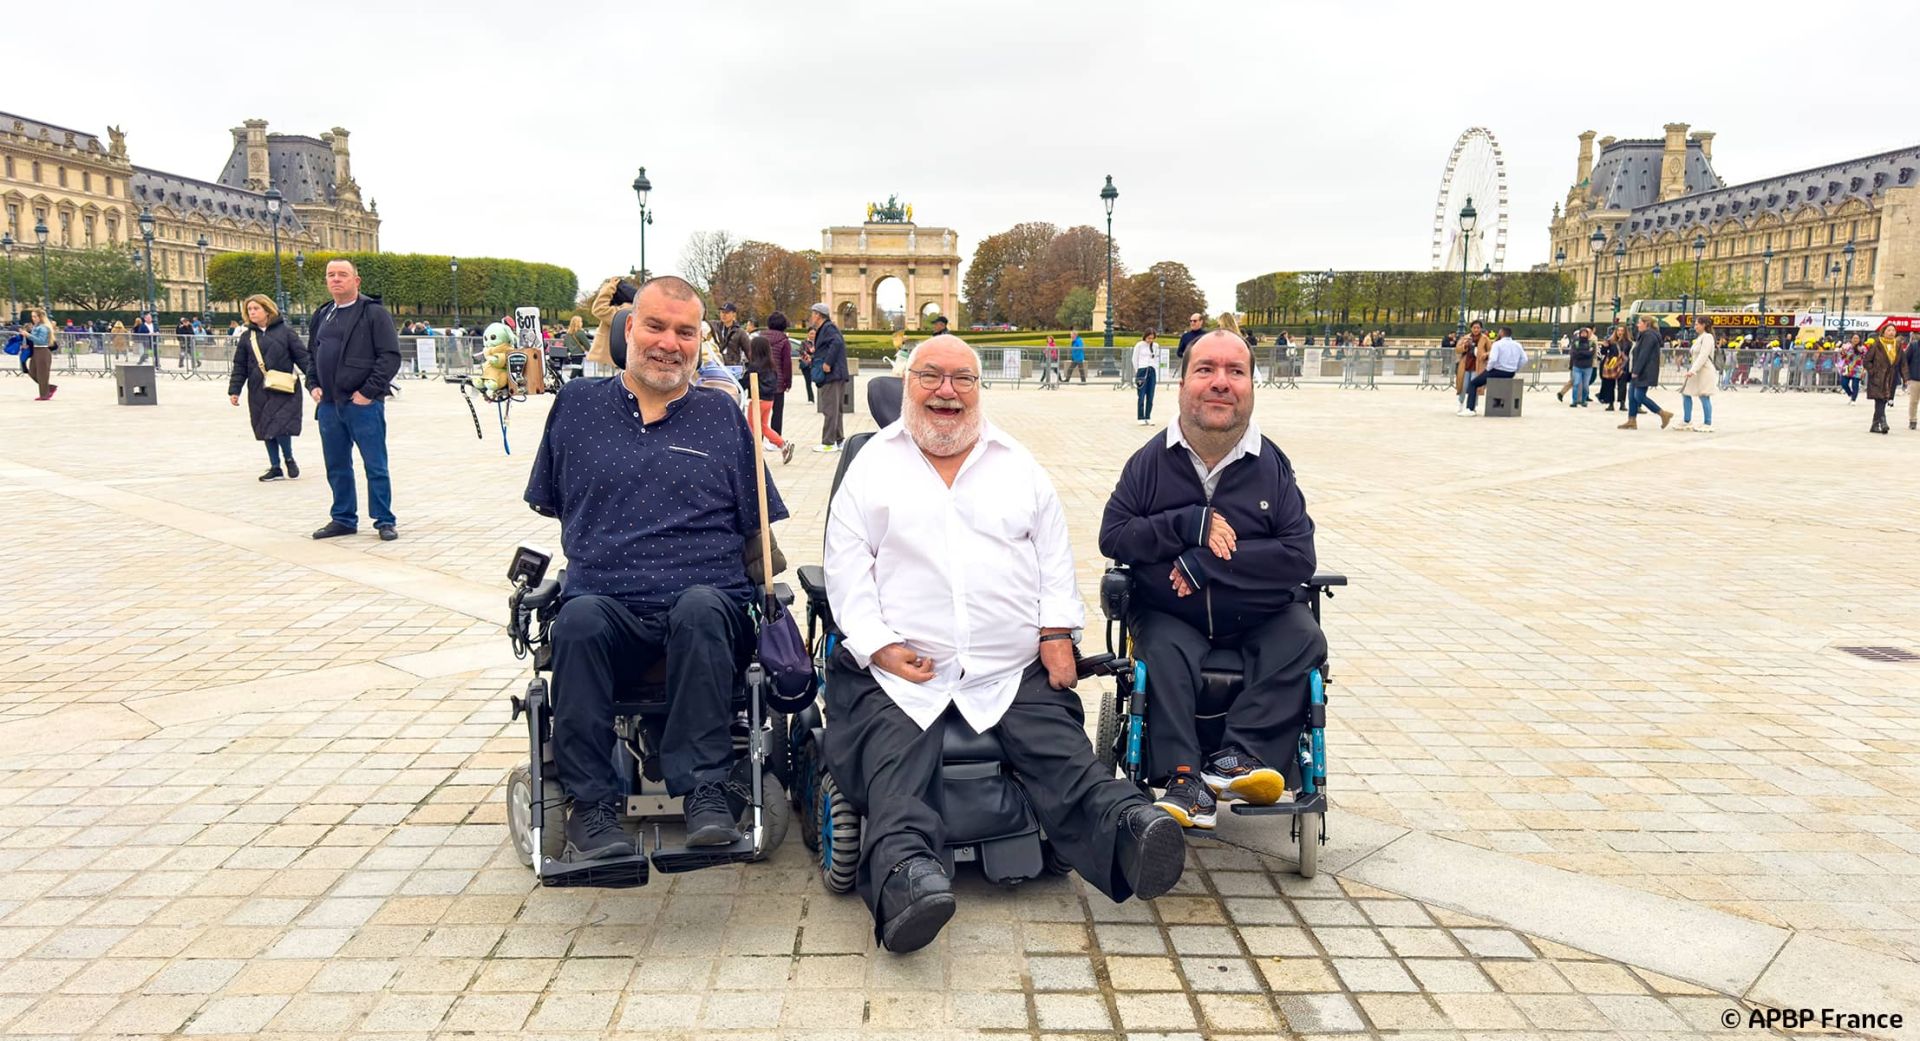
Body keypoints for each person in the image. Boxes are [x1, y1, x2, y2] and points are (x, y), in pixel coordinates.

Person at [823, 334, 1185, 953]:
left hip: (1008, 666)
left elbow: (1053, 560)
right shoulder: (871, 467)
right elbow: (844, 570)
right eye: (931, 376)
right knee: (895, 771)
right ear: (906, 383)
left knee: (1063, 755)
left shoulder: (1017, 464)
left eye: (962, 379)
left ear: (978, 388)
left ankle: (1129, 827)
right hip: (902, 669)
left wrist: (1055, 634)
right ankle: (908, 880)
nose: (947, 392)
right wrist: (879, 645)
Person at [526, 275, 789, 861]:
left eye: (685, 332)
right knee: (578, 620)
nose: (669, 343)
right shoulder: (576, 408)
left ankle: (705, 792)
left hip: (705, 604)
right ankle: (592, 806)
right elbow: (554, 501)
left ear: (700, 342)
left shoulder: (723, 416)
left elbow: (758, 528)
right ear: (627, 330)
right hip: (608, 604)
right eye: (655, 326)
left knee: (698, 608)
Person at [1098, 330, 1324, 829]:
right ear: (1183, 383)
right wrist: (1186, 525)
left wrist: (1208, 563)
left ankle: (1240, 758)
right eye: (1206, 370)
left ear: (1251, 386)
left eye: (1235, 372)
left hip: (1259, 613)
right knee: (1161, 648)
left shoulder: (1272, 465)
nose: (1220, 383)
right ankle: (1183, 776)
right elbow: (1114, 536)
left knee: (1304, 638)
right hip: (1173, 614)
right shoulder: (1150, 462)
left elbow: (1297, 555)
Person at [308, 259, 403, 540]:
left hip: (362, 404)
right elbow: (312, 354)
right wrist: (312, 383)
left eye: (343, 275)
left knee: (375, 464)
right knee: (336, 465)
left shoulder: (373, 313)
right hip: (328, 405)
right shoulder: (322, 314)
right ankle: (343, 518)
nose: (336, 279)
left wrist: (368, 393)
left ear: (356, 281)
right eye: (331, 275)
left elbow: (389, 357)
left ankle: (384, 520)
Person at [228, 294, 313, 481]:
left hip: (284, 386)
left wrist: (314, 382)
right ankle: (275, 466)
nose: (252, 312)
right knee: (264, 425)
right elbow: (239, 365)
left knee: (280, 424)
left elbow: (302, 358)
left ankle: (288, 458)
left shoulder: (286, 332)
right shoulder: (246, 337)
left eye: (256, 308)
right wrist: (235, 390)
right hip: (259, 388)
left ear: (267, 310)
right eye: (249, 309)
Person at [744, 326, 794, 463]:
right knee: (763, 426)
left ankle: (753, 454)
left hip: (757, 400)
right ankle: (782, 444)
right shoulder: (771, 366)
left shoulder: (753, 366)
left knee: (752, 426)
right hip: (769, 400)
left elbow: (745, 382)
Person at [807, 302, 849, 452]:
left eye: (813, 313)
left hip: (832, 374)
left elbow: (837, 343)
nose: (811, 316)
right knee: (835, 409)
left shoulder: (828, 328)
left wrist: (827, 362)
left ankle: (828, 442)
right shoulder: (827, 328)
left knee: (830, 409)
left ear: (818, 315)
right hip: (836, 375)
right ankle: (839, 440)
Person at [1621, 316, 1675, 430]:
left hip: (1645, 371)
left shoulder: (1649, 336)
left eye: (1640, 323)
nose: (1637, 325)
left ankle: (1662, 413)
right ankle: (1631, 420)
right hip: (1639, 370)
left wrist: (1636, 371)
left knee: (1639, 396)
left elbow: (1644, 355)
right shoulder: (1643, 335)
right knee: (1631, 396)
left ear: (1647, 324)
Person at [1461, 326, 1525, 416]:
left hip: (1497, 370)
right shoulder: (1517, 345)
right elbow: (1524, 359)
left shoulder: (1497, 344)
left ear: (1501, 333)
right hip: (1510, 372)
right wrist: (1516, 369)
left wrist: (1488, 369)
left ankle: (1470, 408)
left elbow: (1493, 359)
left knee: (1473, 383)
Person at [1678, 316, 1718, 432]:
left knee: (1704, 395)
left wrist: (1693, 370)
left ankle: (1707, 422)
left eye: (1696, 324)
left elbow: (1703, 355)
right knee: (1686, 392)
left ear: (1704, 325)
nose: (1695, 327)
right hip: (1696, 370)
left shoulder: (1708, 337)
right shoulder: (1700, 337)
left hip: (1704, 371)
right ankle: (1687, 420)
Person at [1863, 329, 1901, 435]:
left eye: (1893, 330)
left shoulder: (1897, 345)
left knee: (1883, 400)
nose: (1891, 332)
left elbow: (1902, 362)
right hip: (1878, 378)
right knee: (1880, 399)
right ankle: (1883, 422)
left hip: (1891, 378)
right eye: (1889, 330)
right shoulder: (1877, 344)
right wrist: (1873, 371)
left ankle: (1875, 425)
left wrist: (1906, 376)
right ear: (1883, 332)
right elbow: (1866, 361)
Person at [1453, 320, 1489, 413]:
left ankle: (1473, 406)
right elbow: (1457, 349)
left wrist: (1485, 355)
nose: (1476, 330)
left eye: (1478, 328)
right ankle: (1461, 403)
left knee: (1474, 386)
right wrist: (1465, 346)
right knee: (1463, 386)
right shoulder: (1466, 337)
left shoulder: (1485, 338)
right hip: (1466, 364)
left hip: (1477, 365)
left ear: (1481, 328)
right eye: (1474, 328)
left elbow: (1491, 350)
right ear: (1471, 328)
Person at [1598, 326, 1630, 411]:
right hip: (1611, 365)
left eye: (1622, 330)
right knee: (1609, 384)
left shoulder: (1628, 342)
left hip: (1623, 364)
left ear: (1625, 332)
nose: (1620, 332)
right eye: (1618, 330)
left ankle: (1622, 403)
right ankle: (1610, 403)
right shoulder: (1611, 341)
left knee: (1622, 385)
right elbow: (1603, 352)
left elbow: (1629, 354)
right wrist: (1604, 346)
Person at [26, 309, 56, 401]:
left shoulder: (43, 328)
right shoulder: (36, 326)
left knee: (42, 374)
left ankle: (44, 394)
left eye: (35, 316)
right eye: (32, 316)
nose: (33, 318)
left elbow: (41, 340)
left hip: (42, 350)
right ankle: (49, 387)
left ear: (40, 317)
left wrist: (28, 335)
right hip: (36, 351)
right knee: (32, 372)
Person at [1132, 329, 1160, 425]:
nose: (1150, 340)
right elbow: (1134, 359)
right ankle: (1140, 417)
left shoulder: (1156, 346)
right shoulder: (1139, 345)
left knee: (1150, 395)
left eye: (1152, 338)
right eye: (1148, 338)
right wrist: (1138, 371)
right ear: (1145, 336)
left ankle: (1148, 416)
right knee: (1141, 395)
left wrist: (1154, 368)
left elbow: (1156, 358)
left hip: (1152, 370)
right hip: (1142, 370)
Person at [1565, 328, 1596, 407]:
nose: (1583, 335)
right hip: (1577, 366)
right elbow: (1574, 353)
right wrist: (1586, 352)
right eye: (1582, 333)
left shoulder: (1591, 343)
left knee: (1585, 386)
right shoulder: (1576, 343)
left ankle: (1583, 400)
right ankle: (1574, 401)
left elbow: (1591, 354)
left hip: (1588, 367)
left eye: (1585, 333)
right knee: (1576, 383)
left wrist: (1581, 352)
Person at [1897, 331, 1920, 431]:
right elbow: (1905, 360)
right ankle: (1912, 420)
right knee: (1914, 401)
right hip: (1915, 378)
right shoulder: (1914, 346)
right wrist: (1906, 376)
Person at [1837, 333, 1865, 403]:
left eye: (1857, 338)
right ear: (1851, 339)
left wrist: (1860, 350)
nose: (1855, 339)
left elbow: (1864, 354)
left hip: (1857, 368)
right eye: (1854, 338)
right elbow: (1843, 356)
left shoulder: (1862, 347)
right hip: (1847, 367)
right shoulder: (1847, 346)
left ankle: (1853, 399)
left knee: (1855, 385)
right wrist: (1842, 351)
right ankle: (1850, 394)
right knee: (1844, 383)